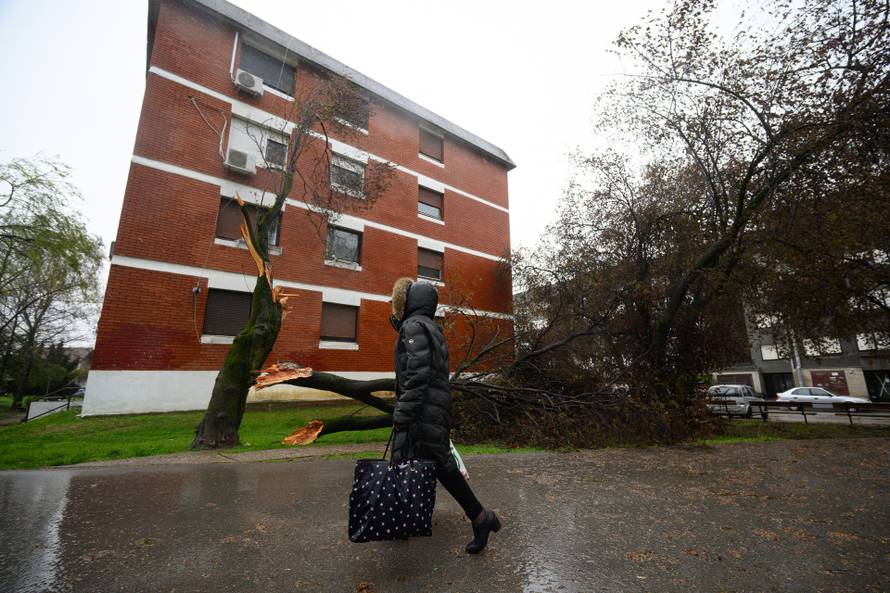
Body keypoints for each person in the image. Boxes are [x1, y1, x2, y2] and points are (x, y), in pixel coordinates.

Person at [388, 277, 501, 554]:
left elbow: (416, 374)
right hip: (432, 410)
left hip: (421, 412)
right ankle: (405, 522)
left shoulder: (413, 326)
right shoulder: (429, 327)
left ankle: (482, 518)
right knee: (420, 463)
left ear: (408, 303)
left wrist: (403, 412)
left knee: (431, 466)